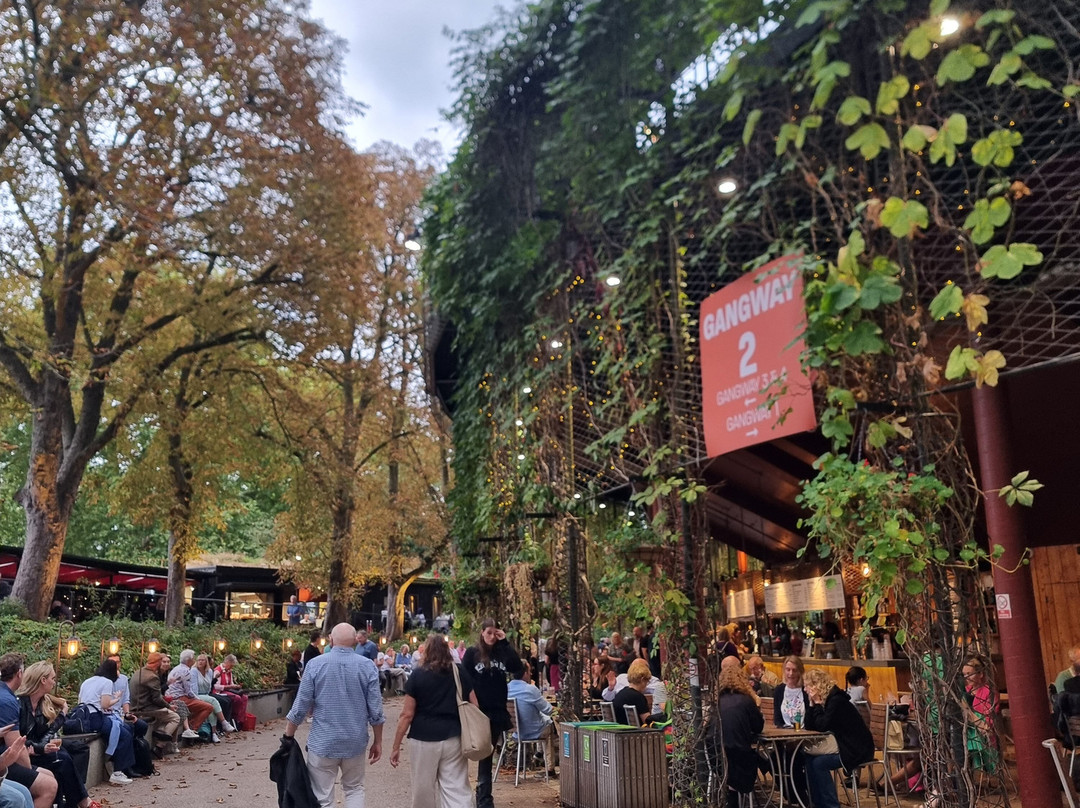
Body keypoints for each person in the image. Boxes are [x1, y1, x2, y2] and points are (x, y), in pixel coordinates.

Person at [284, 622, 384, 808]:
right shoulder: (368, 666)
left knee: (322, 795)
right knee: (354, 789)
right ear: (355, 641)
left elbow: (300, 707)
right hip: (355, 740)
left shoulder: (315, 665)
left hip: (323, 742)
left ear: (330, 639)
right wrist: (378, 741)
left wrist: (288, 736)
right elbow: (376, 711)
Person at [389, 635, 476, 808]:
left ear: (426, 651)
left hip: (423, 737)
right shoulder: (458, 671)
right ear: (447, 651)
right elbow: (474, 703)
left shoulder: (418, 674)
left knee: (423, 789)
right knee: (456, 787)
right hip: (453, 736)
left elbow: (407, 714)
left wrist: (396, 746)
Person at [15, 661, 102, 808]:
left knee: (75, 750)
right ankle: (81, 801)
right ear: (43, 680)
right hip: (24, 752)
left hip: (37, 748)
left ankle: (76, 800)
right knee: (62, 758)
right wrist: (41, 748)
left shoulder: (43, 702)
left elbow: (47, 733)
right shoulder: (19, 704)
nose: (54, 683)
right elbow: (19, 739)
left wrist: (63, 715)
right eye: (52, 678)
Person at [462, 618, 523, 808]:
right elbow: (464, 680)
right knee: (482, 753)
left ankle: (484, 796)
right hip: (479, 711)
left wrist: (504, 642)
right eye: (488, 632)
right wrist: (472, 703)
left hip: (497, 711)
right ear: (481, 633)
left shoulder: (501, 653)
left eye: (494, 633)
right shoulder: (472, 653)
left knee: (488, 753)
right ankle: (483, 795)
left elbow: (517, 668)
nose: (491, 636)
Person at [801, 668, 875, 808]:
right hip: (844, 745)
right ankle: (818, 803)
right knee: (809, 759)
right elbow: (811, 726)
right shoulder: (828, 701)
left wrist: (816, 703)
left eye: (807, 686)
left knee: (819, 764)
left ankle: (831, 805)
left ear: (817, 686)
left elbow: (822, 725)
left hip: (856, 748)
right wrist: (811, 705)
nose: (805, 690)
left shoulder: (836, 701)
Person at [0, 654, 57, 808]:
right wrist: (29, 771)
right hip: (6, 761)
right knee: (48, 786)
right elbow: (15, 746)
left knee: (52, 773)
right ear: (19, 674)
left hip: (12, 757)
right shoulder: (8, 701)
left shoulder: (7, 695)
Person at [711, 663, 765, 808]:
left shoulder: (716, 702)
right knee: (763, 759)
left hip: (717, 759)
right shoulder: (746, 701)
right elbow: (758, 726)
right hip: (741, 758)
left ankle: (731, 797)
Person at [77, 659, 137, 784]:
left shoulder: (87, 681)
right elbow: (105, 705)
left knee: (126, 729)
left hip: (84, 717)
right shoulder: (107, 682)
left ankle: (119, 765)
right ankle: (117, 771)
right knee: (125, 735)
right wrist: (116, 699)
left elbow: (80, 701)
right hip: (95, 719)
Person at [507, 662, 557, 775]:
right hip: (533, 731)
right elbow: (547, 709)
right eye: (529, 672)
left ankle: (539, 753)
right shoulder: (530, 689)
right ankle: (550, 768)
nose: (530, 674)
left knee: (542, 721)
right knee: (548, 725)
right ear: (525, 673)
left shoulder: (506, 689)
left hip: (516, 733)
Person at [129, 652, 182, 756]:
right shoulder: (152, 676)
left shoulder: (138, 672)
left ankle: (160, 733)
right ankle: (159, 745)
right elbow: (157, 699)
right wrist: (169, 706)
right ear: (157, 663)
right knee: (175, 717)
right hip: (145, 709)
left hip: (136, 705)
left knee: (167, 715)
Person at [166, 650, 215, 739]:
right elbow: (189, 691)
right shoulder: (186, 671)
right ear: (189, 660)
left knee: (201, 705)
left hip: (171, 696)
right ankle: (193, 729)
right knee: (209, 707)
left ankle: (192, 727)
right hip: (180, 698)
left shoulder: (176, 668)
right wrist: (197, 699)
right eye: (193, 659)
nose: (194, 661)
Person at [963, 656, 999, 771]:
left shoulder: (989, 692)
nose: (967, 677)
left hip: (984, 732)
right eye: (964, 674)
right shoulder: (965, 690)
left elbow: (989, 720)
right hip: (967, 730)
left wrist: (972, 716)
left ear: (981, 674)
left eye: (970, 674)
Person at [193, 654, 235, 737]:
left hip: (207, 693)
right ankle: (224, 723)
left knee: (212, 706)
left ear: (206, 662)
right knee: (214, 701)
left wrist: (214, 679)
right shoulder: (194, 671)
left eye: (203, 660)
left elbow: (210, 686)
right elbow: (193, 688)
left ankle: (214, 733)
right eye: (199, 660)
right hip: (197, 694)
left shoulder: (209, 672)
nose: (200, 662)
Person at [612, 659, 665, 726]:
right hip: (636, 732)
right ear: (642, 680)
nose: (647, 684)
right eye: (647, 681)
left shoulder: (620, 693)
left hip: (621, 729)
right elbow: (647, 721)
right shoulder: (638, 697)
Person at [772, 655, 810, 728]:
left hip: (804, 733)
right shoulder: (779, 690)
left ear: (800, 672)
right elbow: (777, 719)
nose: (791, 673)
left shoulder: (806, 690)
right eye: (788, 669)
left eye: (794, 670)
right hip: (785, 733)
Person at [213, 655, 249, 727]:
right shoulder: (218, 670)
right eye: (231, 665)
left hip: (228, 690)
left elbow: (231, 683)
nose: (232, 667)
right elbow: (216, 686)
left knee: (244, 697)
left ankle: (239, 720)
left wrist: (236, 686)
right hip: (219, 692)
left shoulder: (229, 671)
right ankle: (233, 717)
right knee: (237, 698)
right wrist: (230, 686)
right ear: (227, 662)